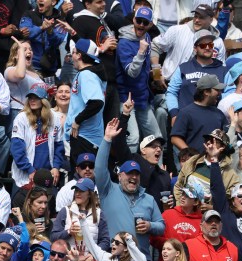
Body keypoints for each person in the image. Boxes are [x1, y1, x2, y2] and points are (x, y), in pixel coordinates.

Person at [96, 118, 165, 261]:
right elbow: (100, 167)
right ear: (120, 176)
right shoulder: (108, 191)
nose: (133, 177)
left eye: (136, 174)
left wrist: (149, 225)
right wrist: (107, 139)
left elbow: (161, 226)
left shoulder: (148, 198)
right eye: (129, 173)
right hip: (114, 258)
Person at [111, 101, 171, 212]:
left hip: (154, 222)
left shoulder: (164, 175)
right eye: (153, 146)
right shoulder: (133, 160)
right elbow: (119, 142)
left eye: (160, 148)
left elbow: (167, 206)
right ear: (143, 150)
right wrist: (125, 115)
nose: (158, 149)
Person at [116, 7, 162, 145]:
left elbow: (153, 53)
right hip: (126, 98)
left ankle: (156, 167)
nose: (141, 25)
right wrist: (141, 52)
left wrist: (157, 73)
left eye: (145, 22)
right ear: (133, 20)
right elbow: (132, 72)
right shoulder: (124, 43)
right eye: (139, 21)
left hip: (142, 97)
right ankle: (128, 167)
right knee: (133, 139)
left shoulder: (146, 36)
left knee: (156, 137)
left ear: (150, 24)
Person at [150, 4, 226, 81]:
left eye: (201, 17)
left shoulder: (217, 41)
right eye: (195, 16)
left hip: (201, 89)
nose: (196, 20)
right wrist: (156, 74)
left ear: (210, 20)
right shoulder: (177, 30)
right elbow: (155, 46)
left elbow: (221, 68)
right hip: (169, 83)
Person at [166, 30, 227, 121]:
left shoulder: (223, 70)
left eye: (210, 45)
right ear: (195, 48)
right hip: (186, 119)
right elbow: (171, 92)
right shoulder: (183, 68)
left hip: (212, 119)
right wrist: (174, 114)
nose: (207, 48)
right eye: (202, 45)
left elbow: (229, 94)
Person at [10, 84, 64, 189]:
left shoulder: (54, 118)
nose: (32, 100)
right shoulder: (21, 118)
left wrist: (56, 167)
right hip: (25, 176)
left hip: (47, 174)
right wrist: (29, 169)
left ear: (44, 100)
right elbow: (16, 148)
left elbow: (59, 145)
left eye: (36, 98)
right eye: (30, 98)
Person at [65, 39, 107, 167]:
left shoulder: (87, 75)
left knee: (82, 181)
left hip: (85, 137)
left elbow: (97, 102)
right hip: (87, 137)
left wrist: (77, 121)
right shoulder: (90, 73)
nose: (72, 56)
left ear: (79, 55)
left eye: (73, 52)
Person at [170, 74, 228, 151]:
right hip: (195, 161)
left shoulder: (219, 113)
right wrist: (191, 154)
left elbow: (226, 135)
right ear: (206, 92)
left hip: (216, 160)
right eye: (217, 90)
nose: (220, 93)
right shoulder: (186, 112)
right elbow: (175, 138)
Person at [52, 177, 109, 252]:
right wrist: (68, 232)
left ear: (89, 194)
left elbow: (105, 241)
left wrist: (92, 256)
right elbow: (53, 237)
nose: (77, 194)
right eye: (76, 190)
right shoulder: (65, 211)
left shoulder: (99, 213)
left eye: (81, 191)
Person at [151, 184, 203, 261]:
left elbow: (201, 246)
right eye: (183, 194)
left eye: (188, 196)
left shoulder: (201, 221)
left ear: (196, 202)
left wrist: (184, 248)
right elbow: (154, 237)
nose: (182, 197)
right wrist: (170, 245)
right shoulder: (167, 214)